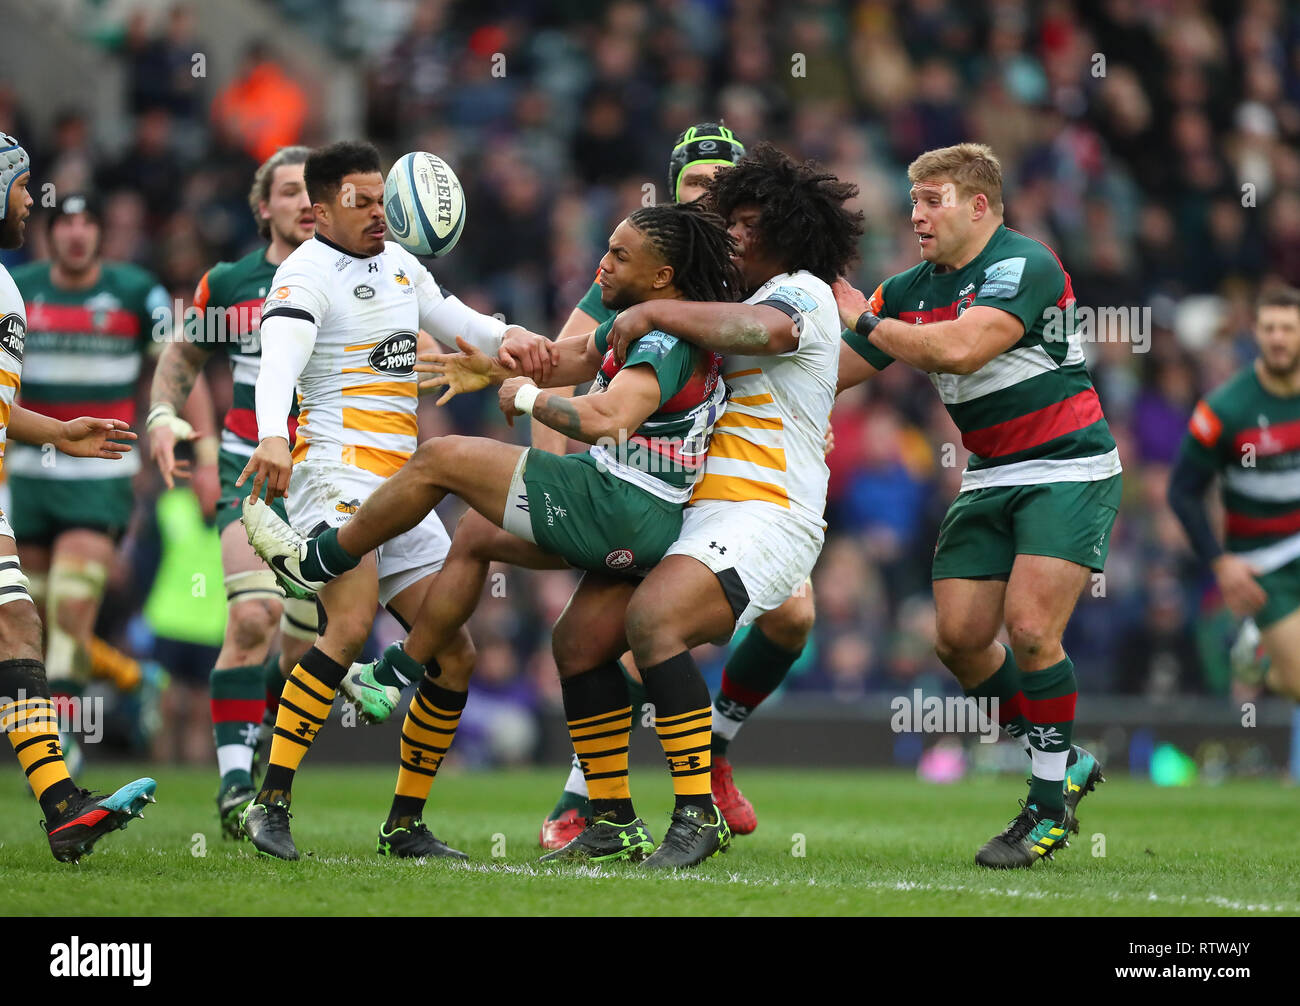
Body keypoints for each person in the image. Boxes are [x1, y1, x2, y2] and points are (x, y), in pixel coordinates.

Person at [245, 200, 738, 863]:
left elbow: (612, 418)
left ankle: (322, 563)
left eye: (619, 255)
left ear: (661, 277)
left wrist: (527, 400)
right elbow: (559, 359)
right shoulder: (644, 324)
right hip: (639, 514)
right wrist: (493, 365)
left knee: (442, 460)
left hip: (619, 498)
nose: (603, 262)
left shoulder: (659, 339)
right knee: (488, 552)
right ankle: (603, 817)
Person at [234, 140, 554, 861]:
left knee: (456, 654)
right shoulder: (304, 271)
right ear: (319, 210)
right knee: (347, 627)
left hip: (406, 480)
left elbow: (460, 322)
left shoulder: (401, 265)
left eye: (382, 199)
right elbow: (280, 355)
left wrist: (515, 337)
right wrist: (271, 436)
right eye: (363, 201)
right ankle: (270, 803)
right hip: (335, 474)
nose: (381, 212)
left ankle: (404, 824)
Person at [550, 141, 861, 868]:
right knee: (577, 642)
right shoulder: (708, 305)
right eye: (730, 218)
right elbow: (584, 348)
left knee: (654, 622)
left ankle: (696, 815)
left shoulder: (802, 292)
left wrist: (657, 307)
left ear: (785, 232)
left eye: (748, 220)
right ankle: (609, 818)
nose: (735, 231)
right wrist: (495, 354)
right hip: (688, 512)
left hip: (767, 512)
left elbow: (772, 333)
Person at [833, 143, 1112, 868]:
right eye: (914, 200)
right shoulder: (905, 289)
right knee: (957, 640)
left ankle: (1046, 810)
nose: (916, 214)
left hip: (1067, 467)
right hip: (989, 474)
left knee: (1028, 629)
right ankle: (1065, 761)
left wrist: (859, 317)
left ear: (980, 206)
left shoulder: (1026, 263)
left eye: (934, 200)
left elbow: (960, 350)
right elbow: (840, 372)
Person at [147, 145, 322, 838]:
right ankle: (232, 788)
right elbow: (182, 359)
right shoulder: (231, 284)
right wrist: (163, 416)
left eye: (315, 190)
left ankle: (267, 746)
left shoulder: (356, 279)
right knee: (253, 620)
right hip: (250, 475)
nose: (305, 201)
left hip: (325, 487)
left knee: (303, 646)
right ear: (263, 209)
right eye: (289, 191)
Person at [0, 132, 156, 862]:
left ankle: (64, 804)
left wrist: (57, 433)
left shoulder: (8, 286)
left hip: (29, 486)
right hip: (17, 494)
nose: (33, 201)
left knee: (24, 624)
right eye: (24, 185)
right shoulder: (17, 285)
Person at [8, 192, 171, 773]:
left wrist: (180, 433)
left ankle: (64, 741)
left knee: (74, 611)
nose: (76, 234)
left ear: (101, 234)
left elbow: (177, 363)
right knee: (37, 617)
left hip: (103, 470)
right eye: (65, 223)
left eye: (87, 223)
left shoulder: (136, 293)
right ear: (51, 233)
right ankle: (131, 675)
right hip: (25, 473)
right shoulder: (16, 286)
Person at [1169, 288, 1300, 723]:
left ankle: (1276, 667)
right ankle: (1273, 663)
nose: (1278, 338)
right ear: (1257, 334)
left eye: (1288, 329)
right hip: (1264, 566)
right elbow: (1182, 491)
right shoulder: (1225, 409)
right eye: (1269, 328)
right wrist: (1221, 564)